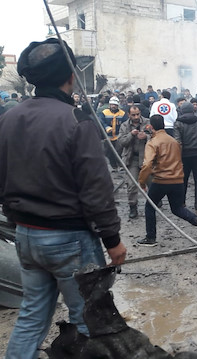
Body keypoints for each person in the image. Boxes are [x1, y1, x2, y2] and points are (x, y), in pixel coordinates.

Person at [0, 38, 126, 359]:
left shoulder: (9, 119)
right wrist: (112, 239)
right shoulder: (76, 121)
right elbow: (96, 188)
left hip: (26, 238)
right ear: (71, 76)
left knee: (31, 316)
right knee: (89, 320)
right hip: (70, 240)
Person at [137, 115, 197, 246]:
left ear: (151, 127)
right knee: (177, 208)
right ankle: (195, 219)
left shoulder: (153, 143)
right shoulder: (173, 141)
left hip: (161, 180)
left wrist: (142, 181)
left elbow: (147, 164)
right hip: (177, 180)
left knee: (150, 206)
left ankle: (150, 237)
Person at [174, 102, 197, 217]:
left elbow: (178, 142)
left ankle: (181, 203)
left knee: (182, 180)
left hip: (184, 156)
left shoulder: (178, 123)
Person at [118, 105, 151, 219]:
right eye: (133, 115)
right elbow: (122, 142)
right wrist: (131, 135)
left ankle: (154, 203)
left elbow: (156, 136)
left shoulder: (147, 122)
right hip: (131, 159)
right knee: (132, 185)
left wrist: (146, 137)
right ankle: (133, 207)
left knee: (152, 183)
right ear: (129, 115)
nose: (136, 117)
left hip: (147, 158)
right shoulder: (124, 125)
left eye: (138, 114)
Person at [99, 96, 128, 170]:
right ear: (109, 105)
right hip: (108, 137)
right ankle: (113, 167)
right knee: (109, 153)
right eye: (112, 104)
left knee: (119, 152)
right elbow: (101, 121)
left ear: (118, 105)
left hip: (118, 137)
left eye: (115, 105)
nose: (113, 106)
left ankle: (120, 166)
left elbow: (126, 123)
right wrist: (106, 127)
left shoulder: (122, 114)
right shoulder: (104, 113)